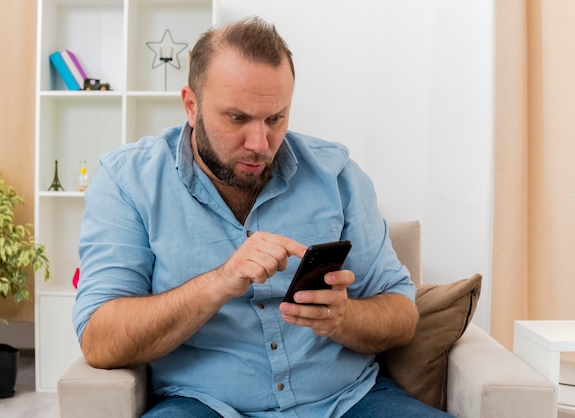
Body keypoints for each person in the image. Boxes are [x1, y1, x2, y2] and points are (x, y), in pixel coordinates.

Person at [72, 16, 453, 418]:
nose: (260, 144)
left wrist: (345, 318)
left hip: (349, 400)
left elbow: (401, 314)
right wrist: (218, 283)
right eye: (237, 118)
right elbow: (99, 338)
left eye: (275, 119)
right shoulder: (127, 182)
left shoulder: (336, 174)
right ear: (191, 105)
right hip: (202, 405)